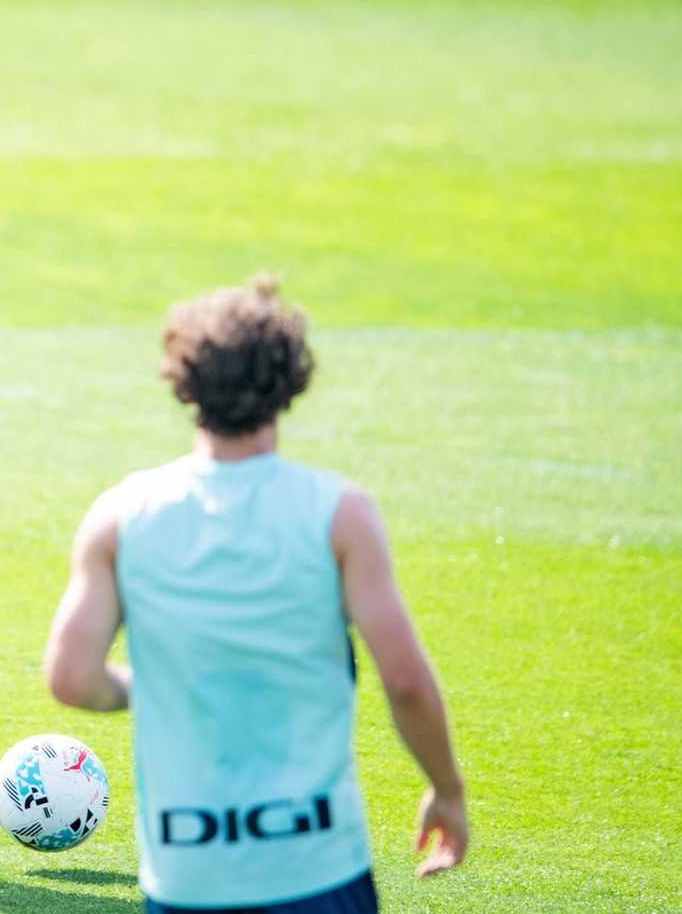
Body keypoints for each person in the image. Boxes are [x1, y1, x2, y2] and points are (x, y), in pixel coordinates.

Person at [42, 277, 468, 911]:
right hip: (317, 866)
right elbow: (404, 679)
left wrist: (144, 685)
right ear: (290, 381)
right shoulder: (340, 514)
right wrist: (447, 790)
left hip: (186, 874)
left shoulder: (121, 516)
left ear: (185, 383)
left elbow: (72, 680)